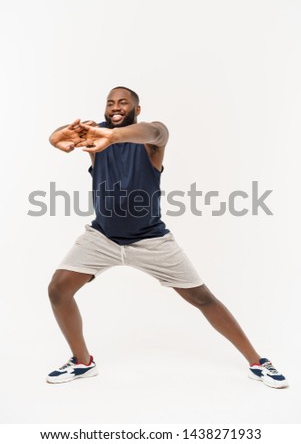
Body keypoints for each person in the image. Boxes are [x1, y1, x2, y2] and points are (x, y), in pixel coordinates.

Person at [47, 86, 287, 388]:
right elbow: (66, 133)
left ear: (137, 108)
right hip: (102, 237)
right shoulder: (96, 135)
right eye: (110, 103)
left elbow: (156, 133)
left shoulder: (149, 138)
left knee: (201, 297)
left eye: (123, 102)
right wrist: (55, 135)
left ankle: (257, 361)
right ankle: (83, 362)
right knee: (58, 290)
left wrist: (115, 136)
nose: (115, 107)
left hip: (151, 240)